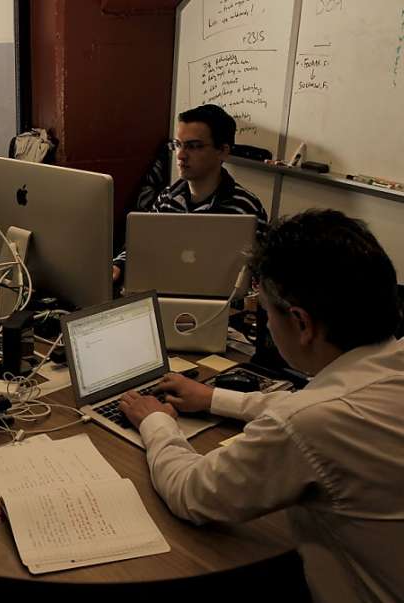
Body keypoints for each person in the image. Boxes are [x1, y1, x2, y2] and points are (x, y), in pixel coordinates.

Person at [119, 209, 404, 602]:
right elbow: (316, 402)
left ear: (302, 324)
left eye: (265, 311)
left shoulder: (310, 423)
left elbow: (192, 493)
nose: (265, 323)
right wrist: (215, 397)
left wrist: (156, 422)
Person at [113, 104, 269, 283]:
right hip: (166, 291)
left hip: (222, 305)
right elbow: (143, 245)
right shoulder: (167, 199)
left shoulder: (247, 208)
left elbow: (261, 276)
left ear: (223, 151)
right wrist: (119, 265)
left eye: (193, 146)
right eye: (178, 145)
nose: (180, 155)